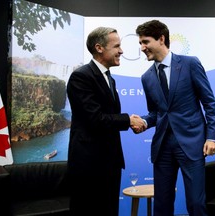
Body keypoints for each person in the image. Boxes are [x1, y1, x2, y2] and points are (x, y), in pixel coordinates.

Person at [134, 20, 215, 216]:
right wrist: (145, 122)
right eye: (140, 43)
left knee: (196, 204)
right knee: (162, 206)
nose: (142, 48)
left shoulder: (190, 64)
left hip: (192, 144)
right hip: (162, 147)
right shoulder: (146, 77)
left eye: (145, 42)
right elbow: (157, 113)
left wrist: (212, 137)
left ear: (161, 39)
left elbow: (210, 104)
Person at [66, 26, 145, 216]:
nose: (122, 51)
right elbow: (95, 119)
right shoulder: (81, 77)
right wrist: (128, 120)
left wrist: (127, 121)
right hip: (89, 164)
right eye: (116, 46)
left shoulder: (110, 79)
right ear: (99, 48)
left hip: (110, 161)